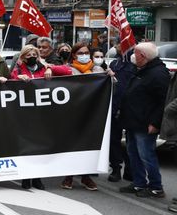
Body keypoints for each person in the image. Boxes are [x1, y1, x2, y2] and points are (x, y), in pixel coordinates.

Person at [10, 44, 72, 190]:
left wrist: (50, 68)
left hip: (42, 115)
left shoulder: (44, 67)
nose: (32, 57)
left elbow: (68, 71)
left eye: (34, 55)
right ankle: (26, 177)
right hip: (24, 115)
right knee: (26, 147)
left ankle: (37, 178)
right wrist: (17, 77)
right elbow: (9, 80)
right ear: (23, 57)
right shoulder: (18, 69)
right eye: (28, 55)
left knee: (39, 147)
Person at [117, 42, 170, 199]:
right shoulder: (143, 70)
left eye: (136, 53)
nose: (133, 56)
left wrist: (155, 123)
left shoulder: (158, 74)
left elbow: (163, 102)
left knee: (146, 155)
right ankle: (139, 183)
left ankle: (156, 187)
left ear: (143, 56)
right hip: (134, 121)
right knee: (133, 153)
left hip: (146, 123)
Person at [58, 42, 103, 191]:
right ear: (74, 55)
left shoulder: (98, 69)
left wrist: (109, 76)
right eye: (80, 53)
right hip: (73, 113)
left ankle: (86, 177)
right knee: (72, 144)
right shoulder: (69, 70)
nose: (84, 56)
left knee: (89, 145)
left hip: (92, 113)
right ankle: (69, 176)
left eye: (86, 53)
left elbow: (109, 88)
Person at [106, 42, 135, 182]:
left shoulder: (135, 64)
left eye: (120, 43)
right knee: (114, 140)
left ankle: (130, 169)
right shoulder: (114, 64)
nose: (118, 46)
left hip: (129, 108)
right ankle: (116, 168)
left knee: (130, 142)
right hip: (114, 107)